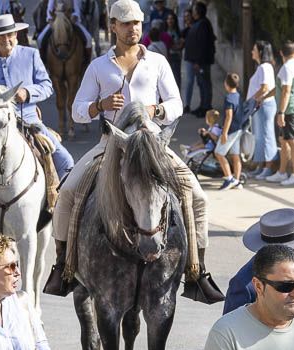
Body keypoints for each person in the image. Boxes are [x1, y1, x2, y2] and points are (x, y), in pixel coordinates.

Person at [52, 0, 221, 303]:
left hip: (153, 145)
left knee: (198, 197)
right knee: (67, 194)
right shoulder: (98, 66)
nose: (133, 29)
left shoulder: (157, 62)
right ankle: (63, 267)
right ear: (113, 26)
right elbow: (78, 111)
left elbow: (176, 105)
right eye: (127, 24)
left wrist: (156, 109)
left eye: (137, 23)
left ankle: (198, 271)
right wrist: (98, 106)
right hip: (111, 145)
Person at [0, 14, 75, 243]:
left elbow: (47, 86)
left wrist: (27, 93)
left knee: (66, 160)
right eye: (0, 36)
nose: (6, 39)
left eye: (9, 34)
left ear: (16, 34)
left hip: (27, 119)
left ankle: (62, 215)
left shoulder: (31, 55)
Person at [267, 40, 294, 186]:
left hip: (289, 110)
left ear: (281, 53)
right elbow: (280, 90)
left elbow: (286, 91)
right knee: (283, 141)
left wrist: (281, 112)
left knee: (293, 142)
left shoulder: (286, 68)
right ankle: (282, 172)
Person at [244, 40, 278, 180]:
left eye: (254, 49)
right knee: (258, 136)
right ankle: (261, 166)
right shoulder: (261, 67)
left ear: (260, 52)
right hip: (259, 106)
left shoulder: (265, 67)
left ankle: (268, 167)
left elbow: (265, 88)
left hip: (264, 105)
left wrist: (252, 100)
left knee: (267, 135)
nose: (252, 52)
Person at [181, 1, 213, 115]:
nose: (192, 12)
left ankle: (206, 107)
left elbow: (203, 45)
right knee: (201, 83)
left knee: (204, 83)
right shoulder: (199, 23)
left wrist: (198, 61)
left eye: (194, 10)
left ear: (198, 12)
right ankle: (202, 106)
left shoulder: (203, 24)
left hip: (201, 61)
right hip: (197, 61)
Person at [214, 72, 244, 190]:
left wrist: (224, 133)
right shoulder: (238, 96)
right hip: (238, 130)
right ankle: (237, 181)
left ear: (226, 84)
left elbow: (229, 116)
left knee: (219, 153)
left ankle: (229, 178)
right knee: (235, 155)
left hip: (230, 131)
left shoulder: (228, 98)